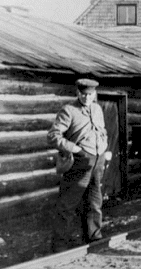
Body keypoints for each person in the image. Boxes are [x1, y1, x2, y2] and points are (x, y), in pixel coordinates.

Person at [48, 78, 108, 252]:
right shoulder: (69, 110)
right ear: (77, 93)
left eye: (90, 94)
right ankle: (59, 245)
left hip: (97, 161)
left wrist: (103, 148)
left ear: (94, 94)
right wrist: (74, 149)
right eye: (83, 94)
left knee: (95, 202)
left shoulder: (97, 109)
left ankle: (94, 237)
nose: (87, 98)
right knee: (67, 204)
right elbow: (53, 136)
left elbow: (101, 130)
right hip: (79, 162)